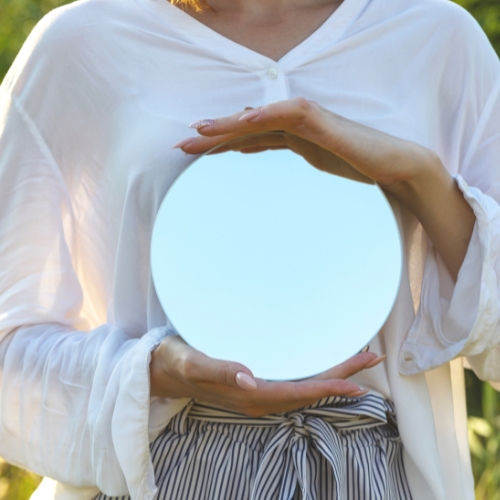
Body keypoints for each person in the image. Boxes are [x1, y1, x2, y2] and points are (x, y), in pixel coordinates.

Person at [0, 0, 499, 498]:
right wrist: (157, 372)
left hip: (379, 476)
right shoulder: (83, 42)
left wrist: (420, 178)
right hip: (160, 474)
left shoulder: (437, 36)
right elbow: (8, 348)